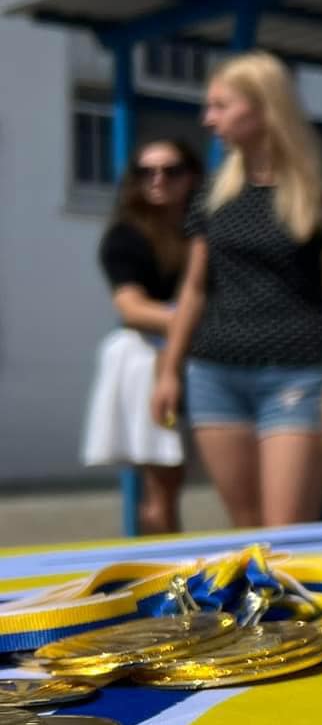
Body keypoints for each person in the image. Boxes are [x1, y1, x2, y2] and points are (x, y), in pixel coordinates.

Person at [151, 53, 322, 528]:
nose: (208, 119)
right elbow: (194, 290)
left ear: (264, 107)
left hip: (298, 377)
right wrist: (169, 371)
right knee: (246, 532)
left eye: (220, 106)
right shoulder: (212, 196)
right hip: (215, 376)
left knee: (287, 532)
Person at [81, 137, 202, 533]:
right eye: (146, 171)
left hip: (203, 357)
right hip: (146, 357)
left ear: (191, 176)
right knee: (162, 482)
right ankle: (164, 566)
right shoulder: (125, 236)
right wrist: (199, 322)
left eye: (171, 170)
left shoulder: (206, 230)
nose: (158, 179)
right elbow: (132, 308)